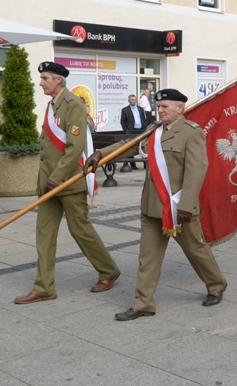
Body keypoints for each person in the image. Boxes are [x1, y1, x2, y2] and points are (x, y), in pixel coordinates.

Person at [85, 88, 227, 321]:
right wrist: (100, 153)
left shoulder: (192, 133)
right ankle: (143, 304)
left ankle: (216, 284)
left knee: (196, 249)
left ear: (180, 108)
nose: (159, 110)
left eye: (165, 107)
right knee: (147, 257)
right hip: (152, 205)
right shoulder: (154, 130)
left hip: (179, 207)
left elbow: (196, 171)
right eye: (158, 106)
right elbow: (130, 145)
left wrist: (186, 205)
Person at [14, 62, 121, 305]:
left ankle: (108, 271)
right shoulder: (52, 105)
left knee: (80, 230)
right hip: (49, 184)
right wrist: (45, 181)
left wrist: (55, 178)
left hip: (68, 182)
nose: (41, 82)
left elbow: (74, 149)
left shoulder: (73, 105)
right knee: (44, 234)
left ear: (58, 80)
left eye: (44, 78)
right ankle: (44, 287)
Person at [120, 94, 147, 169]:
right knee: (131, 147)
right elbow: (122, 122)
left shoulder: (140, 109)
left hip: (141, 130)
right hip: (131, 131)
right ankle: (133, 165)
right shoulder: (125, 110)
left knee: (144, 147)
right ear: (129, 101)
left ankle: (145, 165)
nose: (134, 101)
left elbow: (143, 119)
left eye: (135, 99)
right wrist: (126, 131)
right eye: (132, 100)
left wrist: (145, 127)